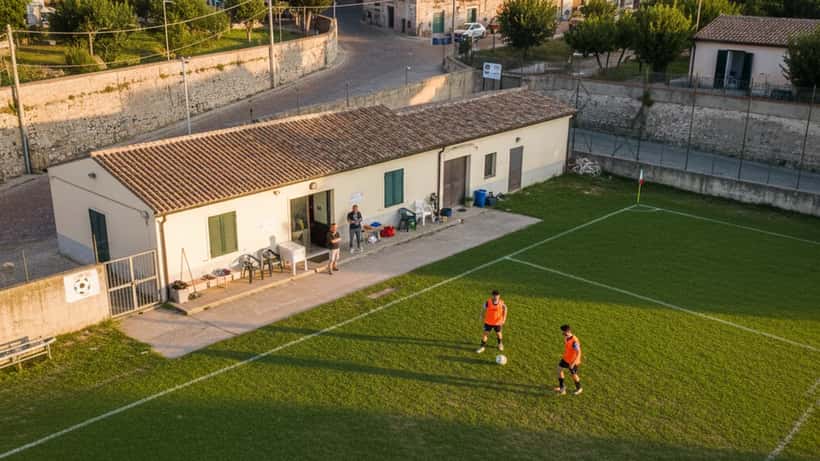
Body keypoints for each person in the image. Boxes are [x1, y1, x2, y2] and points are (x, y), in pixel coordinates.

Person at [554, 324, 583, 396]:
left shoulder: (574, 341)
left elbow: (578, 352)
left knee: (573, 374)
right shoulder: (566, 337)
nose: (562, 333)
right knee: (559, 369)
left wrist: (573, 363)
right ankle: (562, 388)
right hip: (566, 358)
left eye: (563, 332)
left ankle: (579, 388)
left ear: (567, 331)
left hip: (573, 361)